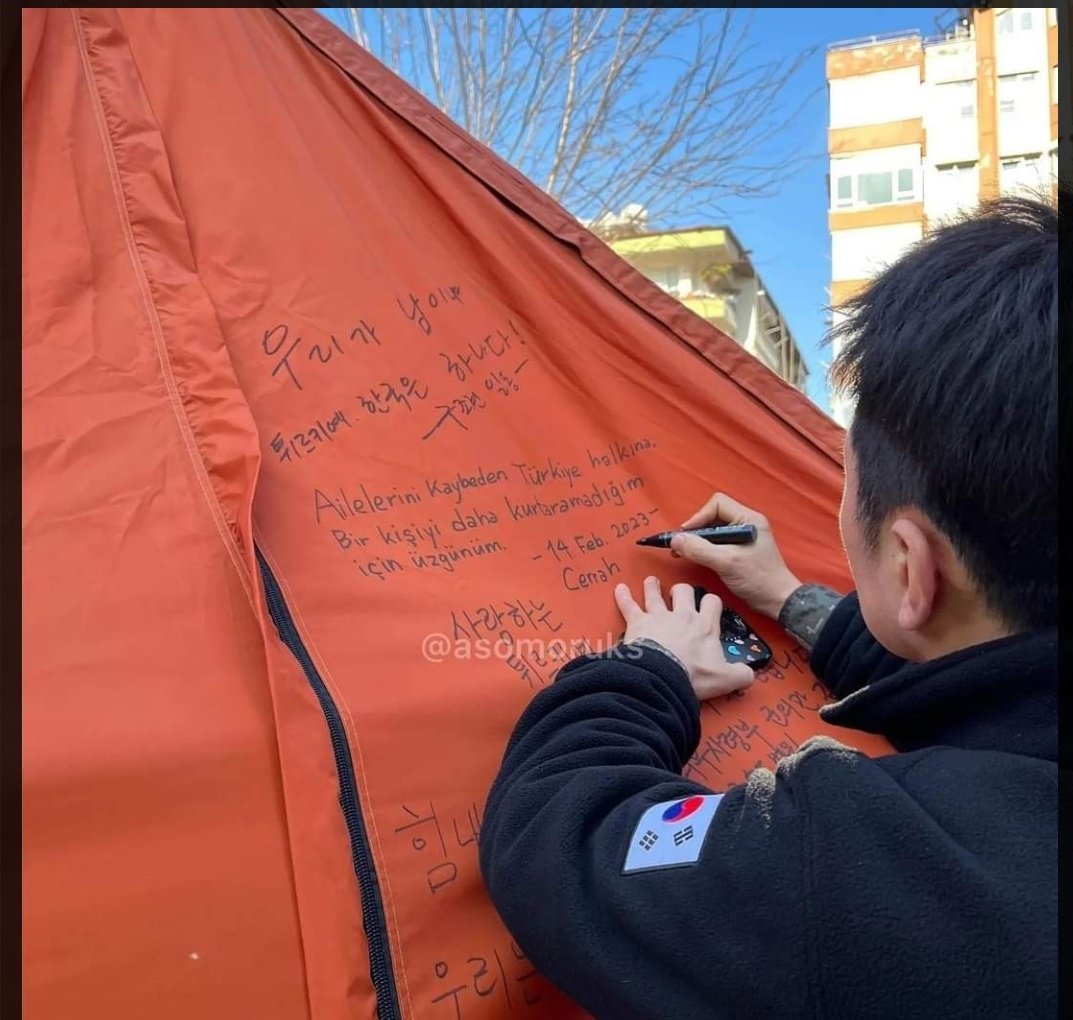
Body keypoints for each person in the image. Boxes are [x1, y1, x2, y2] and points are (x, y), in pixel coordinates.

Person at [479, 193, 1058, 1019]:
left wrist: (647, 670)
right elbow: (987, 677)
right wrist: (786, 596)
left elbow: (561, 842)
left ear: (908, 564)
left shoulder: (873, 871)